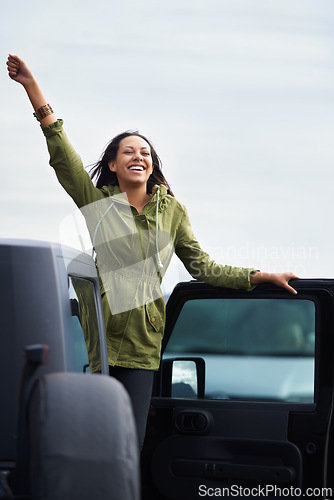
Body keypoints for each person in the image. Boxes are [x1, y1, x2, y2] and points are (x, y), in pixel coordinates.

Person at [7, 54, 298, 448]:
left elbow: (202, 266)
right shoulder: (98, 204)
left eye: (144, 152)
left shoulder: (174, 212)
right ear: (112, 164)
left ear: (152, 164)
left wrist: (258, 276)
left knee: (131, 444)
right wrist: (32, 89)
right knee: (100, 442)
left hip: (145, 346)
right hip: (105, 343)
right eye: (127, 151)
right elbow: (64, 156)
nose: (138, 156)